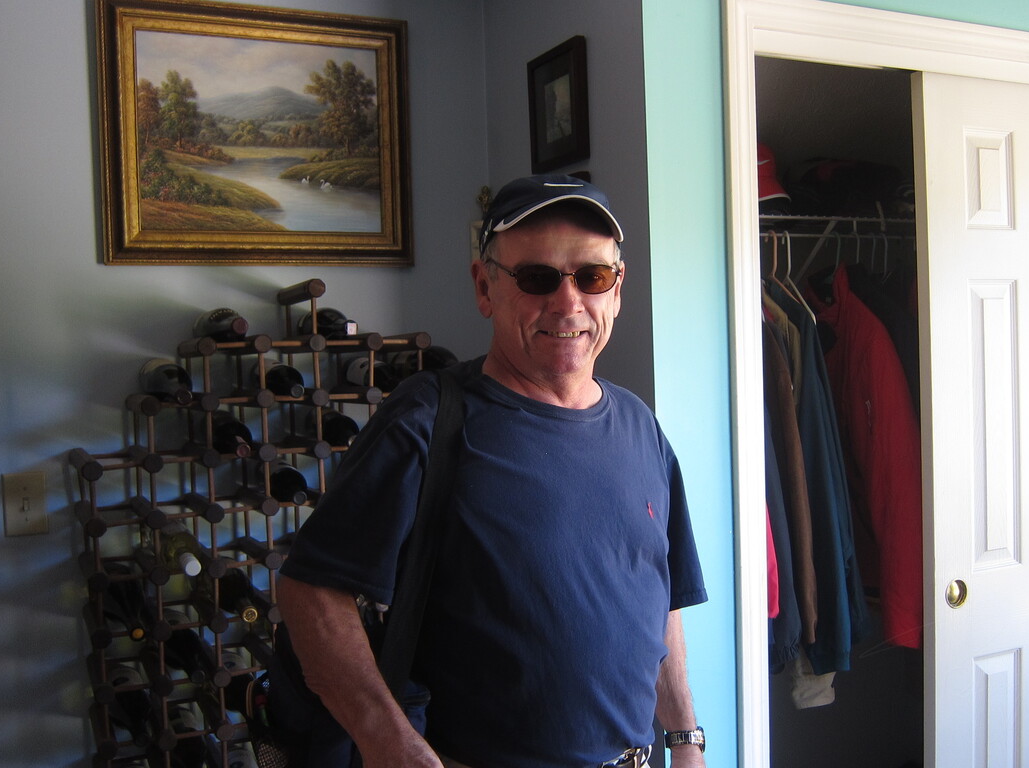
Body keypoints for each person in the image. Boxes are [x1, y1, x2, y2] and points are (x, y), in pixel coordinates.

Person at [276, 174, 709, 768]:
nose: (568, 303)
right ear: (485, 287)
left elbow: (661, 598)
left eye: (592, 277)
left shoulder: (641, 429)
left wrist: (684, 739)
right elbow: (310, 589)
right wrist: (387, 740)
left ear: (617, 289)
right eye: (536, 278)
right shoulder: (427, 421)